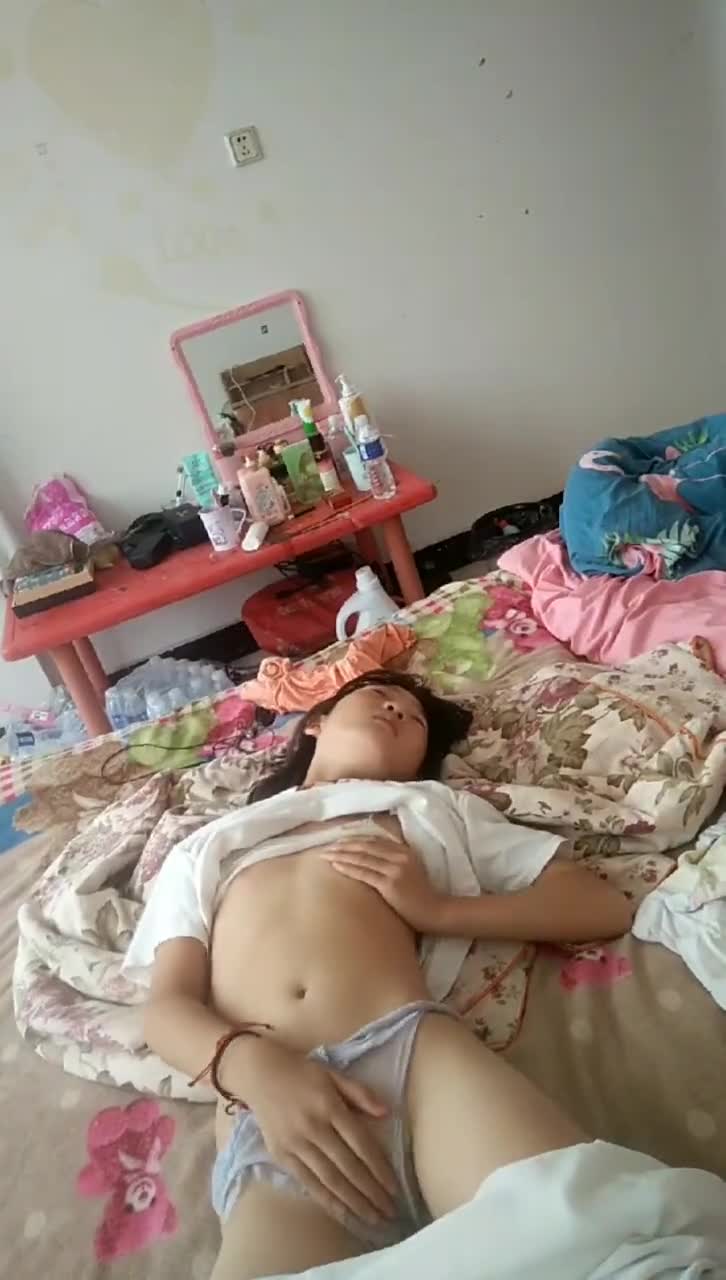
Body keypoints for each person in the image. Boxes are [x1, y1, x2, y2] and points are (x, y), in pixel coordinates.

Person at [124, 671, 633, 1278]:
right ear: (315, 723)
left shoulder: (431, 808)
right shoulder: (207, 844)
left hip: (417, 1060)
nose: (397, 712)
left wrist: (437, 911)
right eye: (380, 698)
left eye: (414, 719)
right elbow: (167, 1008)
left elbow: (599, 904)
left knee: (595, 1238)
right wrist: (255, 1071)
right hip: (273, 1099)